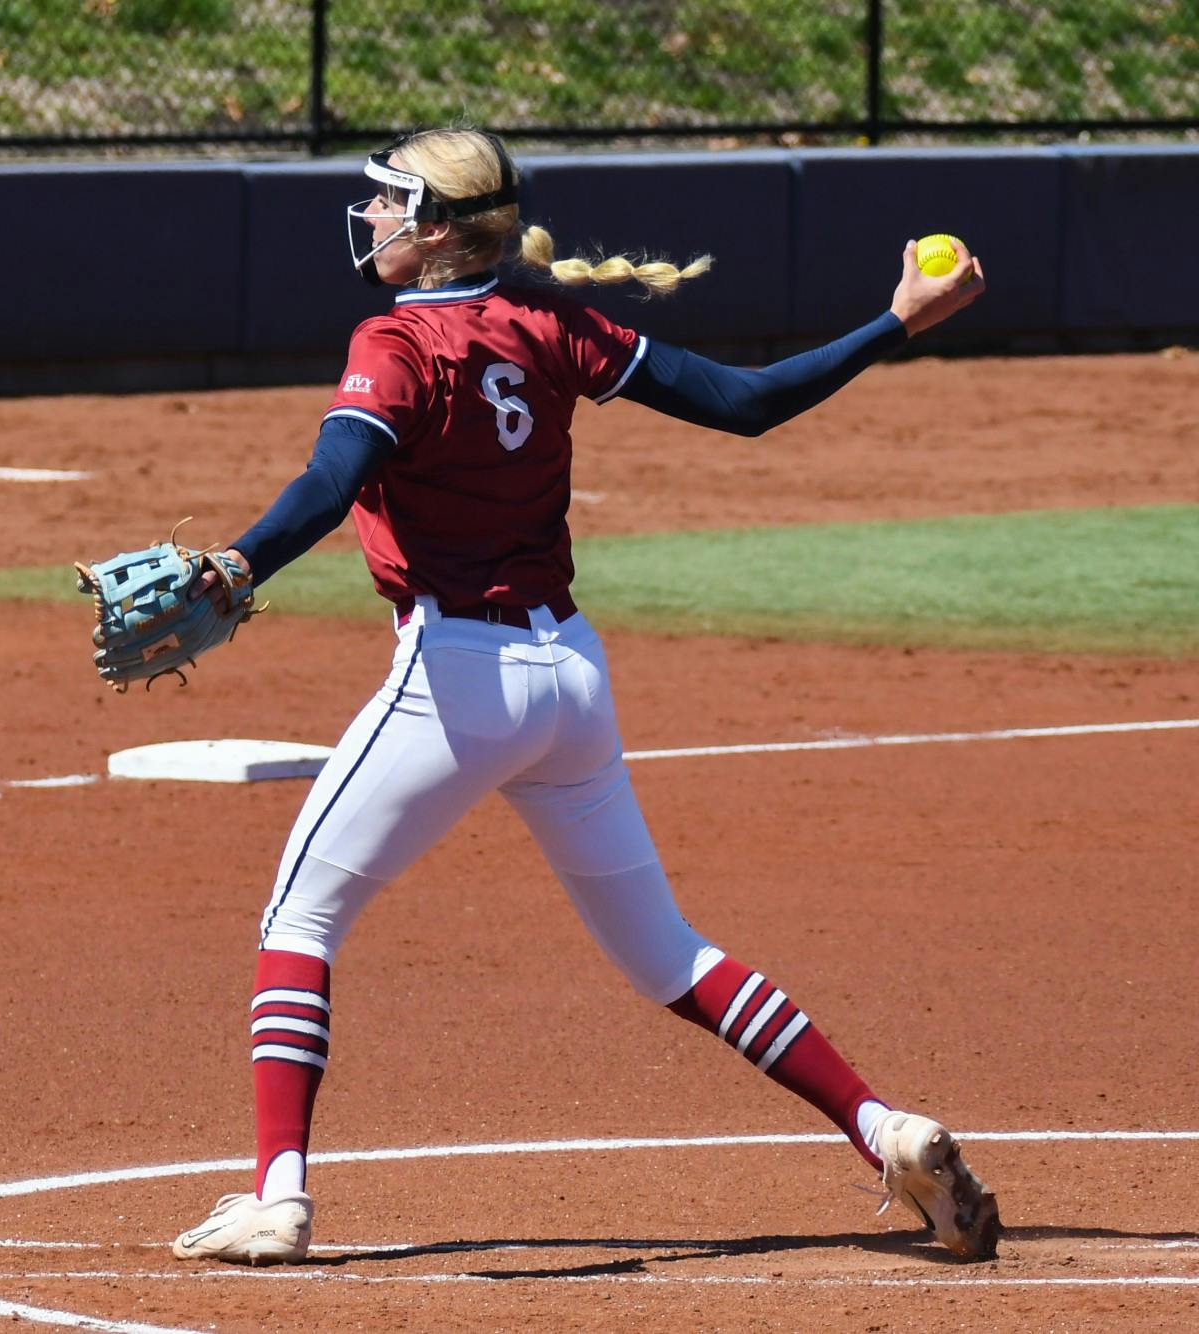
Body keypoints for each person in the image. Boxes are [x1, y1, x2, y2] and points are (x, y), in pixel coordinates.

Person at [168, 128, 999, 1265]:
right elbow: (747, 402)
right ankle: (880, 1125)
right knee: (667, 955)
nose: (367, 219)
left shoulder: (395, 338)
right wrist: (895, 320)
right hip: (568, 678)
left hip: (451, 681)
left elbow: (333, 478)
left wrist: (237, 564)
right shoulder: (551, 319)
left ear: (435, 227)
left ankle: (275, 1195)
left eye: (384, 203)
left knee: (296, 922)